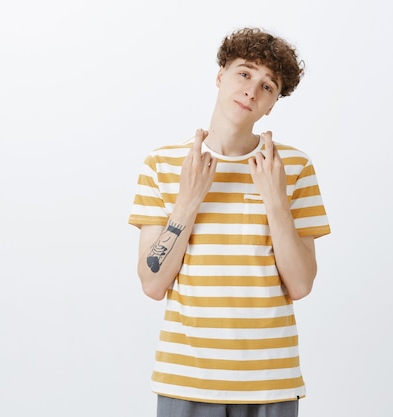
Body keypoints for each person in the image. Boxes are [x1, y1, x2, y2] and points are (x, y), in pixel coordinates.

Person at [128, 27, 331, 417]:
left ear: (271, 104)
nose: (252, 91)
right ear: (220, 76)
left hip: (271, 383)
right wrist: (186, 203)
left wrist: (275, 202)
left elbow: (301, 284)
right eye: (244, 73)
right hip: (185, 380)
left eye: (267, 86)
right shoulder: (164, 164)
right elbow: (152, 283)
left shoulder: (294, 167)